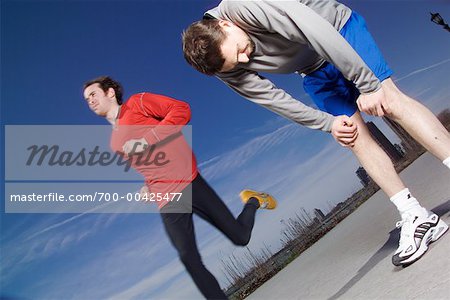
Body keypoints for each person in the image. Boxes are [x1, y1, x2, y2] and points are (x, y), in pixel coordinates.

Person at [182, 0, 449, 267]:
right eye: (236, 62)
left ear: (226, 24)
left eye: (240, 51)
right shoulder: (224, 63)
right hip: (312, 69)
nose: (244, 60)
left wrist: (368, 85)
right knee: (352, 135)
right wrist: (327, 123)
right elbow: (273, 100)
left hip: (337, 31)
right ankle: (414, 214)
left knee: (389, 101)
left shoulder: (244, 6)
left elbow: (313, 29)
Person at [82, 76, 277, 299]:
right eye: (87, 99)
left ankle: (253, 200)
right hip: (166, 197)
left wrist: (148, 139)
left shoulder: (138, 103)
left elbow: (181, 110)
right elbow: (150, 164)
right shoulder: (114, 143)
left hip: (189, 181)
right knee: (187, 256)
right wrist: (147, 185)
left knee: (240, 237)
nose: (90, 101)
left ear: (110, 93)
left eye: (93, 94)